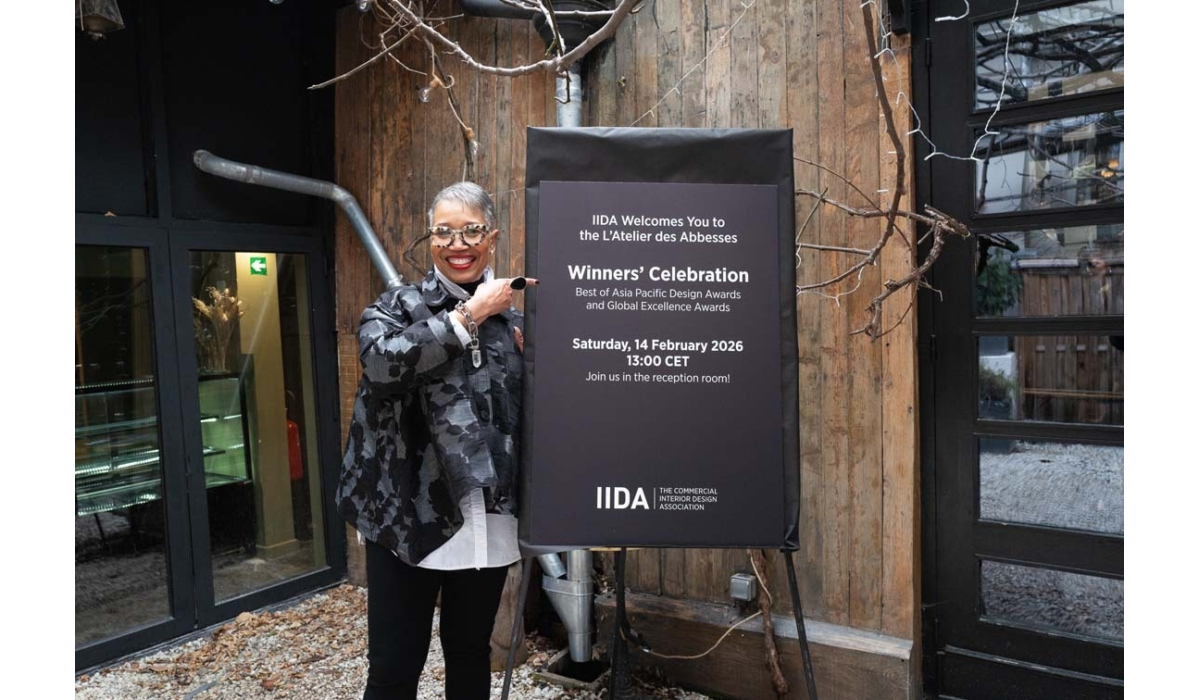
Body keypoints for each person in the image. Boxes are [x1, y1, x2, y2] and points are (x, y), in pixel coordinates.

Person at [337, 182, 536, 700]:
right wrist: (470, 315)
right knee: (393, 670)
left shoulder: (519, 323)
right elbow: (382, 365)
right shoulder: (398, 306)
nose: (457, 243)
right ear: (430, 240)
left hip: (487, 524)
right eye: (444, 231)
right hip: (407, 522)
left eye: (471, 230)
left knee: (471, 657)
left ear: (491, 237)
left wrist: (538, 352)